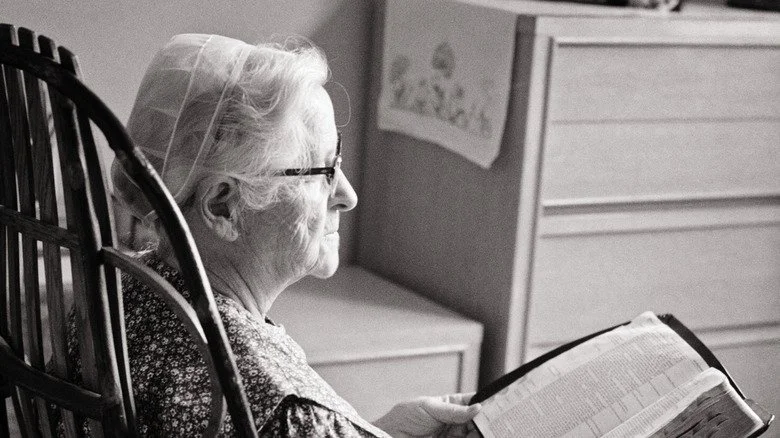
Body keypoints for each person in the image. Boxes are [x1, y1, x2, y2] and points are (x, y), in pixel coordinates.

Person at [105, 34, 481, 436]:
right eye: (323, 171)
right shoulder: (287, 411)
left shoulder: (116, 292)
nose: (348, 196)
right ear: (222, 207)